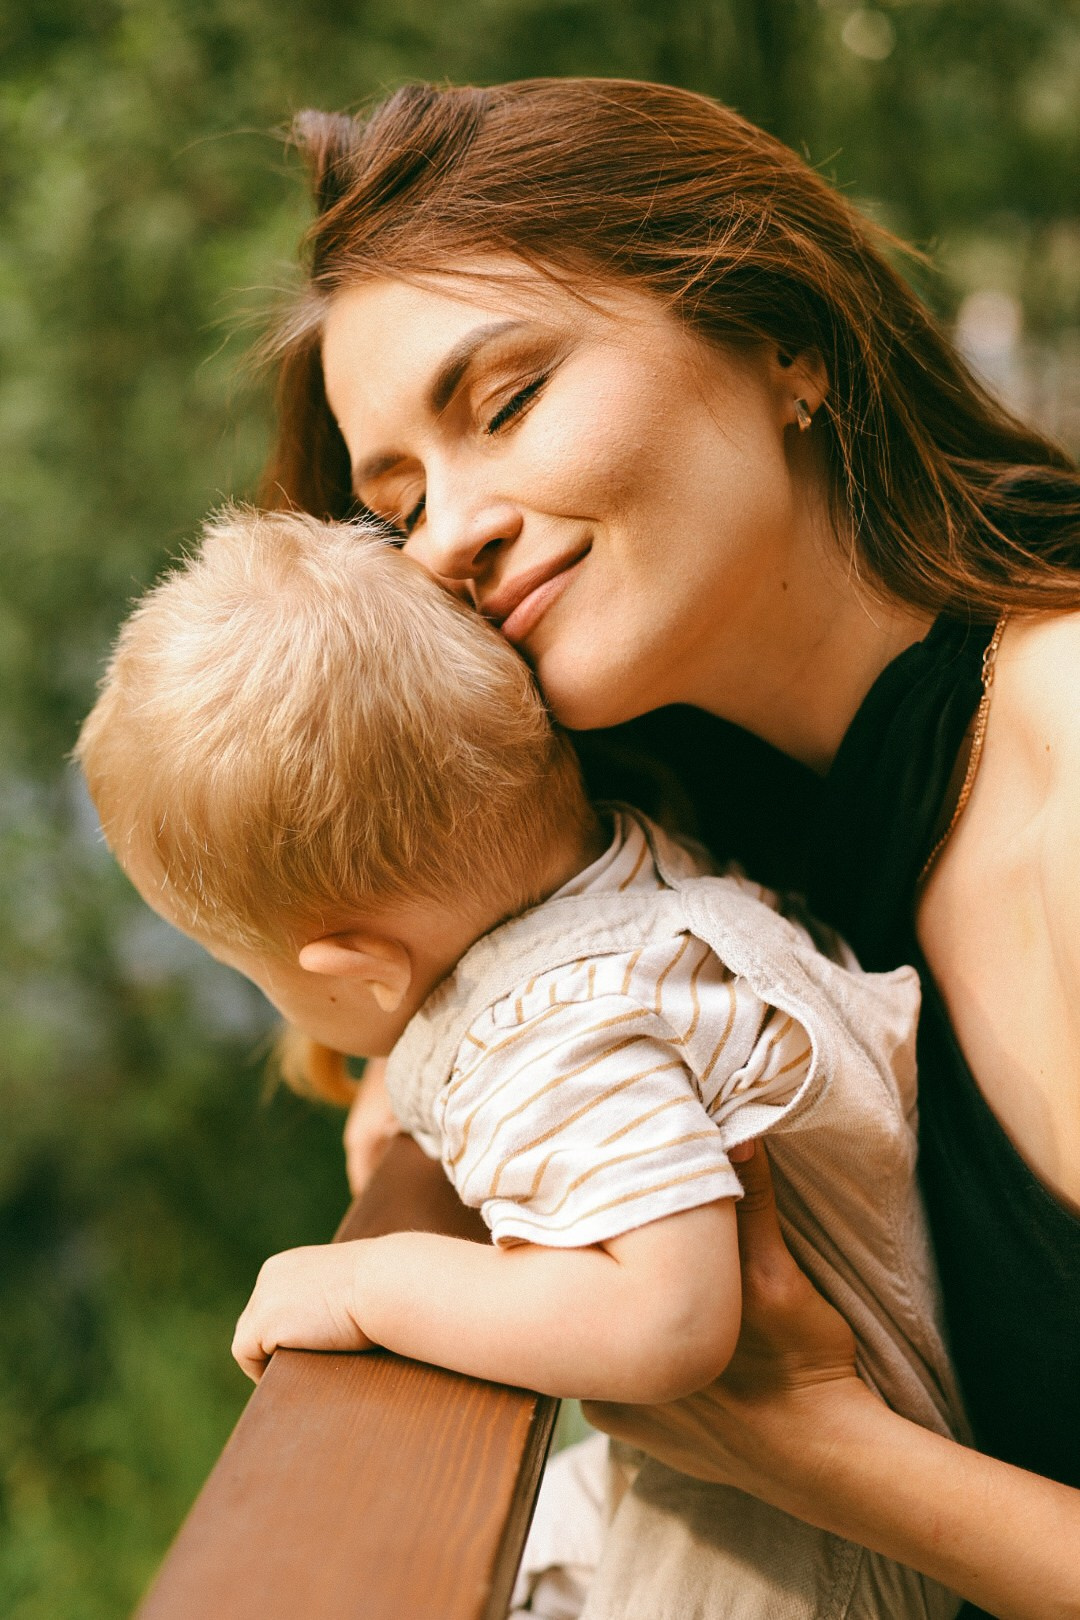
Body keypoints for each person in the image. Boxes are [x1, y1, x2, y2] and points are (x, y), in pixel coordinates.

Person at [258, 78, 1080, 1620]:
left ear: (787, 341)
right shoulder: (715, 865)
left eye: (504, 404)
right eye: (399, 506)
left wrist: (818, 1451)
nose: (447, 537)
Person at [77, 504, 964, 1620]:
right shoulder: (639, 875)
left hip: (804, 1564)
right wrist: (410, 1094)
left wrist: (366, 1282)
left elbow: (667, 1324)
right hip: (813, 1481)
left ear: (356, 971)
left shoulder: (548, 1038)